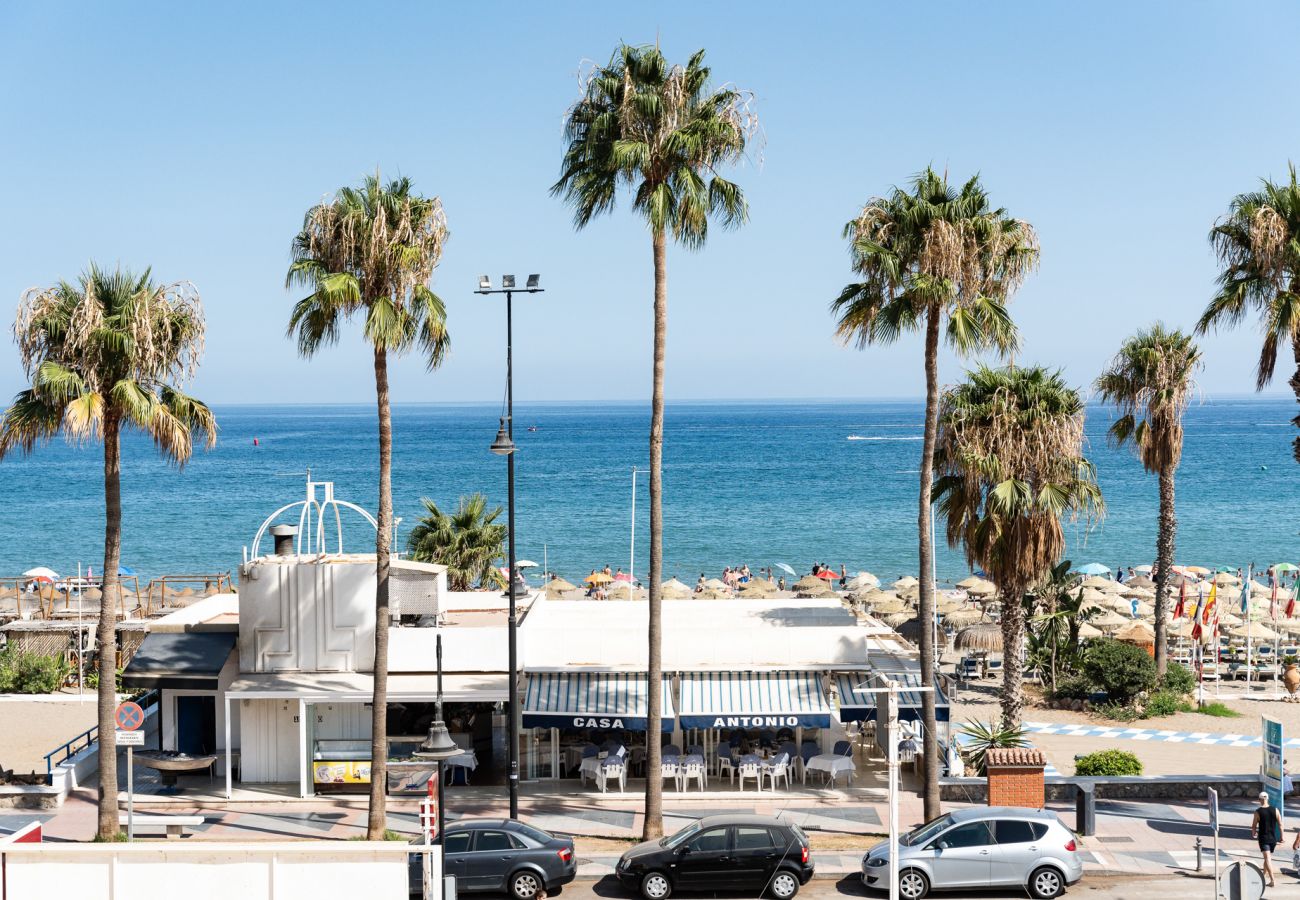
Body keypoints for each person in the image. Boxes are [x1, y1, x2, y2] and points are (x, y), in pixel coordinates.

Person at [1252, 790, 1283, 888]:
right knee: (1267, 857)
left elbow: (1253, 826)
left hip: (1263, 838)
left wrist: (1254, 833)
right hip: (1273, 839)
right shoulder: (1276, 810)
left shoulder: (1258, 812)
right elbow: (1281, 824)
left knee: (1267, 858)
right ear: (1268, 799)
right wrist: (1282, 837)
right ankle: (1263, 874)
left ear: (1259, 800)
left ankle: (1272, 880)